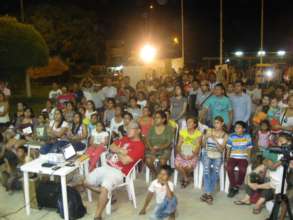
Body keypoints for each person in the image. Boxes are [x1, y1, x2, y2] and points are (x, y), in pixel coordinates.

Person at [84, 121, 145, 220]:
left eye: (131, 128)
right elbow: (111, 146)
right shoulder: (125, 138)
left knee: (104, 188)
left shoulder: (140, 146)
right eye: (127, 128)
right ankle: (106, 195)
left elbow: (125, 161)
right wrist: (121, 150)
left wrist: (117, 150)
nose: (127, 130)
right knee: (86, 182)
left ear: (138, 131)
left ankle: (97, 216)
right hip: (107, 166)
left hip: (119, 172)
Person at [200, 116, 228, 204]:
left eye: (218, 123)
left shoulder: (225, 135)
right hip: (207, 153)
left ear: (222, 123)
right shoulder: (209, 131)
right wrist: (205, 138)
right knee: (206, 170)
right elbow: (204, 146)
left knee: (215, 171)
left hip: (218, 155)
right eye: (215, 123)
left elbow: (221, 150)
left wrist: (214, 140)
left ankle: (207, 193)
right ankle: (209, 194)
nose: (216, 125)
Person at [226, 121, 253, 198]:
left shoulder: (247, 136)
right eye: (235, 128)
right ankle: (233, 185)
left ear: (244, 129)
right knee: (229, 168)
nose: (236, 129)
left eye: (239, 128)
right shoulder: (231, 136)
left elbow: (249, 149)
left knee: (243, 169)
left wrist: (248, 158)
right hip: (233, 157)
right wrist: (227, 158)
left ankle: (237, 185)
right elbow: (228, 148)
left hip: (243, 157)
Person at [175, 116, 202, 188]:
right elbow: (178, 145)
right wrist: (181, 154)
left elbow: (198, 146)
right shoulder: (182, 132)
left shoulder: (198, 133)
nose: (188, 123)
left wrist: (192, 155)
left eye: (190, 122)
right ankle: (186, 178)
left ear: (195, 124)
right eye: (187, 122)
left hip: (193, 151)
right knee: (177, 165)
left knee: (189, 166)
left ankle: (185, 177)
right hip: (183, 150)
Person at [145, 111, 174, 177]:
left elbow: (168, 142)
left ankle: (160, 174)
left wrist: (159, 147)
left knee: (162, 161)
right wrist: (151, 148)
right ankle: (155, 173)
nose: (155, 119)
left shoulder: (169, 129)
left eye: (157, 118)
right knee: (148, 160)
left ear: (163, 119)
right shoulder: (151, 128)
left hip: (164, 149)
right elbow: (147, 140)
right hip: (152, 149)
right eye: (155, 117)